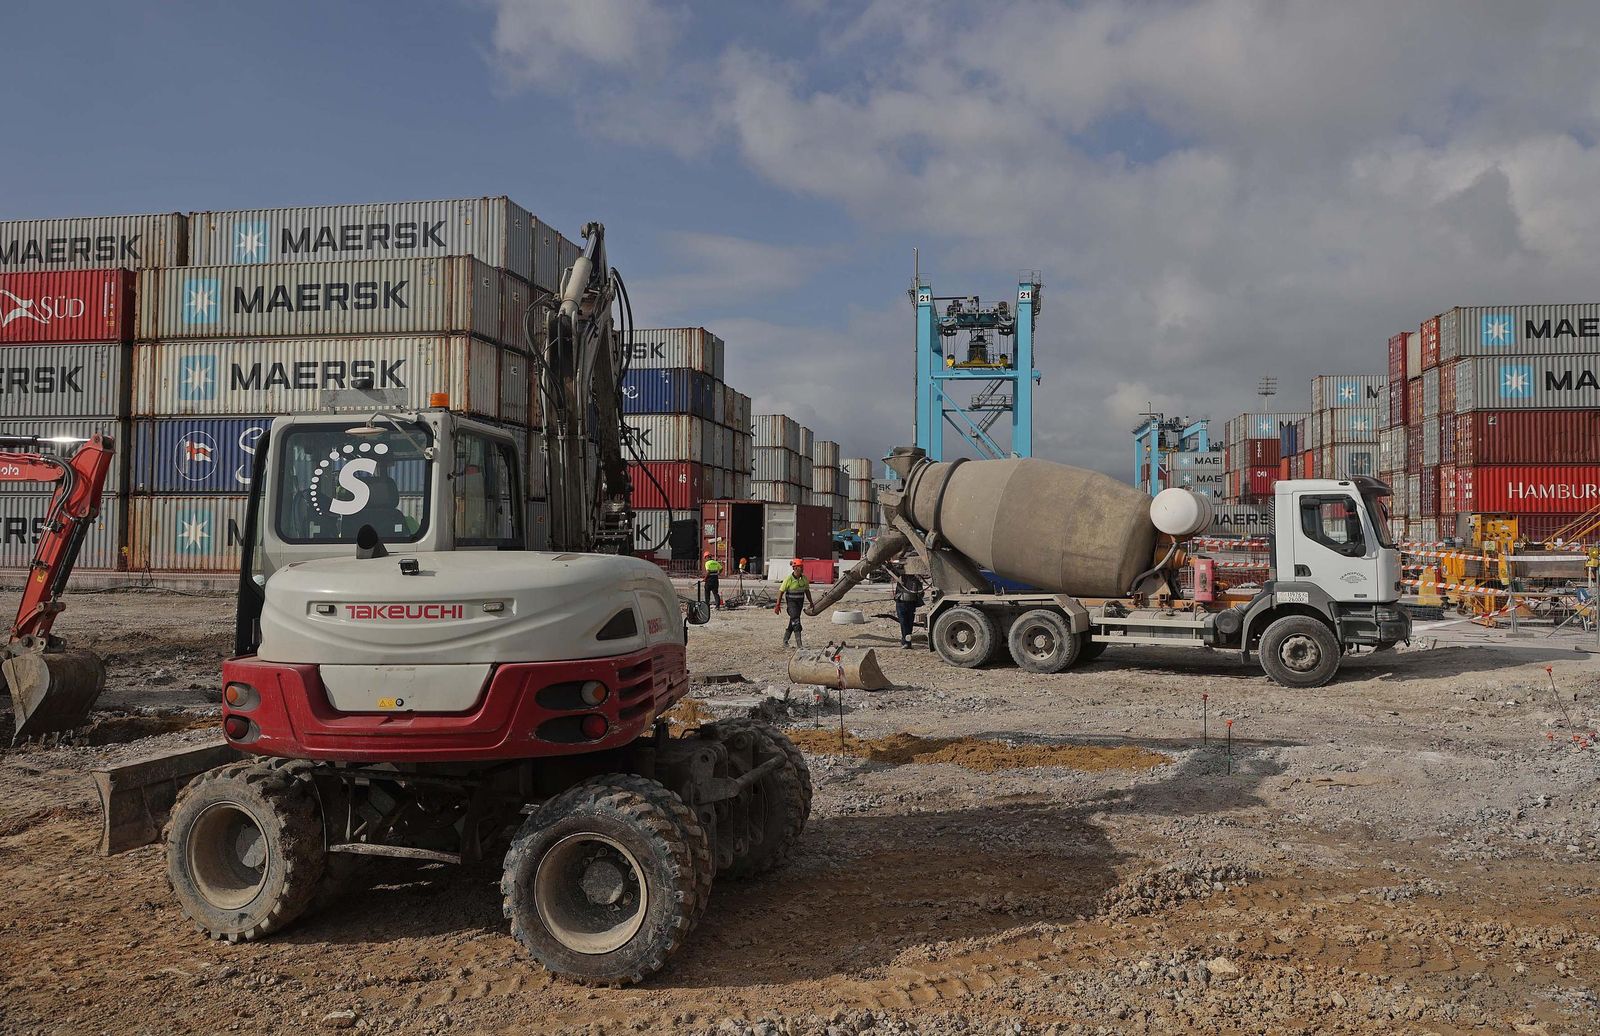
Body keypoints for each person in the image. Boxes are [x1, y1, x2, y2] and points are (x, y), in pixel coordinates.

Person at [774, 558, 815, 648]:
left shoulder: (804, 579)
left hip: (799, 604)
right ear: (795, 568)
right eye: (800, 567)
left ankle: (785, 641)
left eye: (802, 566)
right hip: (791, 604)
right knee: (796, 622)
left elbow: (807, 591)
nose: (802, 568)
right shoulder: (789, 579)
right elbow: (781, 592)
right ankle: (799, 645)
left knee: (793, 621)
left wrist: (811, 602)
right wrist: (777, 605)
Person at [890, 563, 926, 648]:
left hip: (910, 604)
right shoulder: (901, 576)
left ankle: (907, 642)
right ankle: (906, 642)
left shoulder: (915, 580)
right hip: (901, 603)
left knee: (909, 624)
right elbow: (893, 572)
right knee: (904, 623)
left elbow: (921, 593)